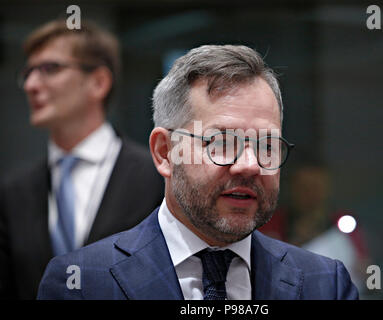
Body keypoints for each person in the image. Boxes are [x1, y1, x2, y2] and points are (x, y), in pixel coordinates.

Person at [37, 44, 359, 300]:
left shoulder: (325, 284)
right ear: (165, 152)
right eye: (221, 142)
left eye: (267, 145)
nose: (250, 164)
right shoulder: (81, 284)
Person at [0, 20, 164, 299]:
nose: (30, 85)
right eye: (27, 73)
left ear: (99, 82)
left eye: (49, 69)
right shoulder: (13, 191)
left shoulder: (156, 177)